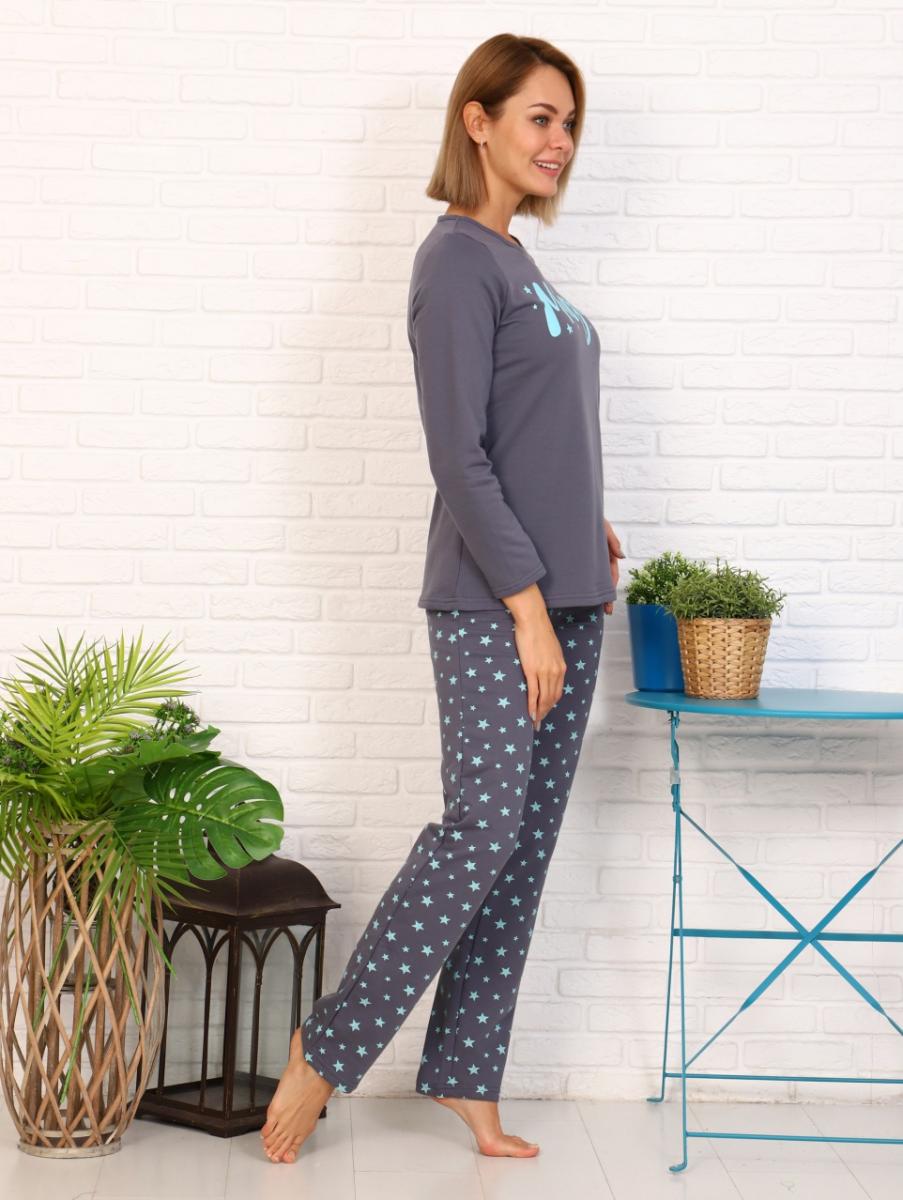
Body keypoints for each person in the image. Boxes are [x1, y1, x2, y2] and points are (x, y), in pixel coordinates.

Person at [260, 32, 625, 1166]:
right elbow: (458, 457)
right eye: (540, 117)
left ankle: (466, 1077)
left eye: (569, 123)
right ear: (479, 119)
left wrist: (587, 526)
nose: (560, 141)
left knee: (518, 850)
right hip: (495, 604)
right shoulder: (458, 261)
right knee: (479, 833)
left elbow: (533, 434)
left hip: (569, 597)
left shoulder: (519, 264)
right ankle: (326, 1050)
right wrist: (526, 605)